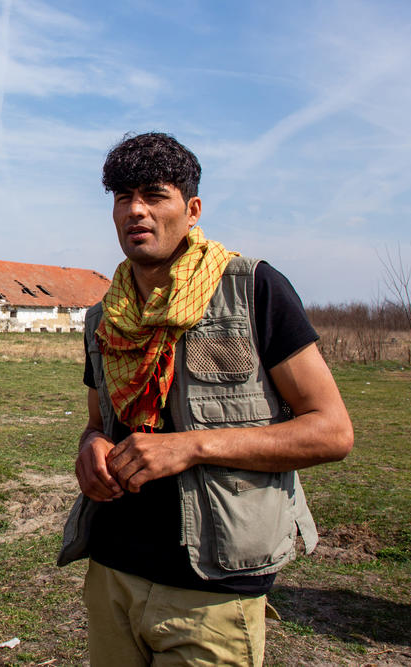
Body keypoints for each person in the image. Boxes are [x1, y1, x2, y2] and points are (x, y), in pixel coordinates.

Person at [58, 132, 354, 666]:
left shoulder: (254, 289)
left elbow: (331, 431)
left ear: (192, 209)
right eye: (123, 197)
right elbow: (98, 422)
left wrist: (188, 447)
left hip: (212, 586)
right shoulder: (105, 317)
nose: (137, 211)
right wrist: (91, 445)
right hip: (113, 573)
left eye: (154, 194)